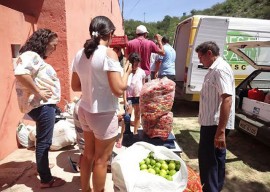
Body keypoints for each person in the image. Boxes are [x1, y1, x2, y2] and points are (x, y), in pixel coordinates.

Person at [71, 16, 132, 192]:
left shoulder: (79, 53)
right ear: (111, 34)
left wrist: (92, 83)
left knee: (88, 154)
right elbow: (118, 90)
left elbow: (75, 86)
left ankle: (86, 189)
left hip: (84, 109)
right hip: (103, 114)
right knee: (101, 160)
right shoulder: (109, 54)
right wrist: (126, 72)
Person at [14, 29, 66, 189]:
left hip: (42, 104)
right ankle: (46, 179)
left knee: (43, 140)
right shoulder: (32, 55)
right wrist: (39, 91)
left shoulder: (32, 57)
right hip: (42, 105)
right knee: (44, 142)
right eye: (53, 45)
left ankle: (42, 167)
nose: (54, 49)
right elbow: (20, 73)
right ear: (44, 42)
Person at [195, 41, 235, 192]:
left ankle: (211, 189)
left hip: (214, 125)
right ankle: (214, 189)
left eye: (201, 57)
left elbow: (227, 99)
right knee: (216, 160)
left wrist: (221, 130)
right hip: (212, 124)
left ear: (209, 53)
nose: (200, 60)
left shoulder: (220, 69)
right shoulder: (214, 69)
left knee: (208, 162)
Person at [116, 53, 146, 148]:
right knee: (127, 117)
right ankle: (121, 137)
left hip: (138, 97)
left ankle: (135, 134)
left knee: (137, 116)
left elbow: (143, 84)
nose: (135, 66)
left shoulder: (141, 72)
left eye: (137, 63)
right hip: (129, 97)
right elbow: (124, 88)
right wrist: (124, 100)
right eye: (134, 64)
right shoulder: (127, 73)